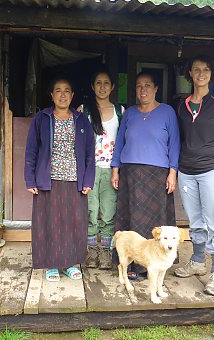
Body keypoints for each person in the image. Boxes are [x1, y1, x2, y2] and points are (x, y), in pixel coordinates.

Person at [24, 77, 95, 282]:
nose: (62, 95)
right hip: (48, 179)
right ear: (52, 95)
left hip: (75, 179)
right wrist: (30, 180)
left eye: (67, 91)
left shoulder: (81, 120)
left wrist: (88, 179)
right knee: (50, 222)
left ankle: (71, 263)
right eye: (58, 91)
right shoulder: (42, 118)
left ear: (72, 96)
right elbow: (31, 151)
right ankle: (51, 264)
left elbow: (90, 152)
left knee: (74, 223)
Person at [174, 55, 214, 296]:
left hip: (212, 170)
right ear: (190, 73)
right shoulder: (182, 105)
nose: (200, 73)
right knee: (195, 220)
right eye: (196, 69)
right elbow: (178, 139)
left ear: (211, 74)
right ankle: (198, 262)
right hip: (186, 171)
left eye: (205, 69)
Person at [111, 71, 180, 278]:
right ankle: (131, 265)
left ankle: (156, 264)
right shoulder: (130, 113)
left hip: (157, 175)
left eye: (148, 85)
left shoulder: (167, 112)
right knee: (130, 219)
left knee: (155, 221)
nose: (143, 90)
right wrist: (116, 169)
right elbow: (119, 142)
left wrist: (173, 172)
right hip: (130, 172)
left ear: (156, 88)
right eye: (139, 86)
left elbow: (174, 144)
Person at [78, 70, 124, 270]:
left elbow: (124, 142)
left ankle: (105, 251)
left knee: (108, 212)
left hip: (111, 169)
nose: (102, 87)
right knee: (90, 211)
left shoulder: (121, 111)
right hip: (90, 169)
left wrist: (118, 168)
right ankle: (91, 251)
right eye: (98, 83)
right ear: (92, 86)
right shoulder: (83, 111)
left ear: (113, 86)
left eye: (107, 83)